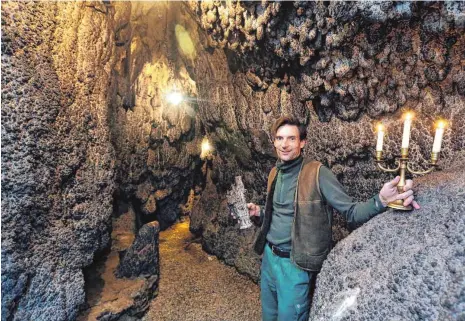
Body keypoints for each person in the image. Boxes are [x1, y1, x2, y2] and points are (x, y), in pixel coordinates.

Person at [247, 115, 420, 321]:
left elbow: (352, 213)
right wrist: (260, 213)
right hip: (269, 258)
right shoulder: (275, 172)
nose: (284, 144)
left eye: (291, 139)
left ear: (303, 143)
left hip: (295, 264)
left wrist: (380, 200)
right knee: (269, 316)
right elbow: (282, 215)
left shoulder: (318, 173)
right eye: (279, 138)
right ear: (274, 141)